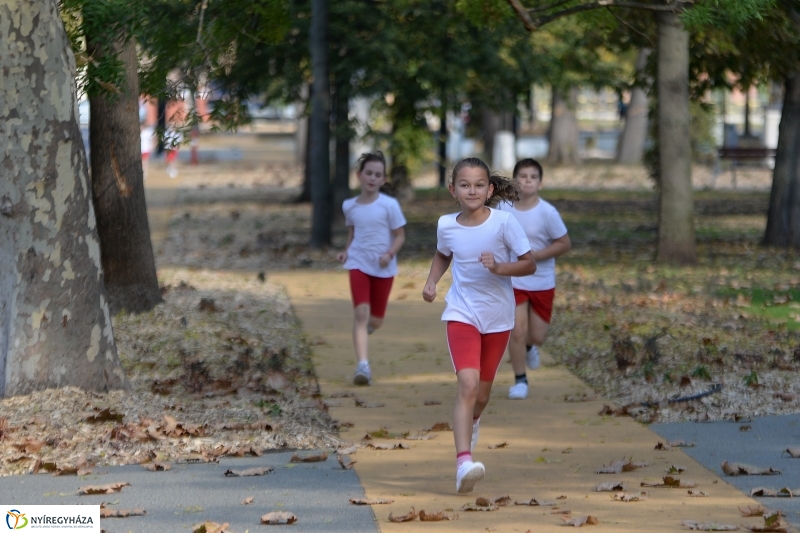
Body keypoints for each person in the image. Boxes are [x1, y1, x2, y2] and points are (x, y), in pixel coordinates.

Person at [422, 157, 535, 494]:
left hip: (498, 317)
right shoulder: (446, 224)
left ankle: (472, 422)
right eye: (464, 185)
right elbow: (444, 253)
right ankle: (463, 463)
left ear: (490, 190)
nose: (471, 190)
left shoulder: (503, 223)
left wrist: (500, 268)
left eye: (478, 185)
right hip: (462, 313)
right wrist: (432, 282)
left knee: (482, 395)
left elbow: (528, 265)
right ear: (453, 189)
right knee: (468, 385)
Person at [497, 159, 571, 400]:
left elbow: (564, 243)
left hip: (541, 280)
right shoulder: (503, 209)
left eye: (532, 177)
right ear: (514, 181)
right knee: (516, 330)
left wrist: (537, 256)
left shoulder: (547, 212)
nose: (527, 180)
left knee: (536, 336)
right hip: (514, 278)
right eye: (522, 176)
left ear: (540, 183)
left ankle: (530, 347)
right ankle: (520, 380)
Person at [336, 152, 406, 386]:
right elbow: (353, 232)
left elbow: (400, 236)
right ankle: (363, 366)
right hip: (358, 263)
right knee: (360, 313)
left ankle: (366, 330)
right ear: (359, 176)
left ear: (383, 179)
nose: (372, 178)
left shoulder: (389, 205)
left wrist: (389, 254)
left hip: (383, 268)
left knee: (375, 321)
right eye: (368, 173)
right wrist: (347, 251)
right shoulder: (350, 206)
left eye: (377, 175)